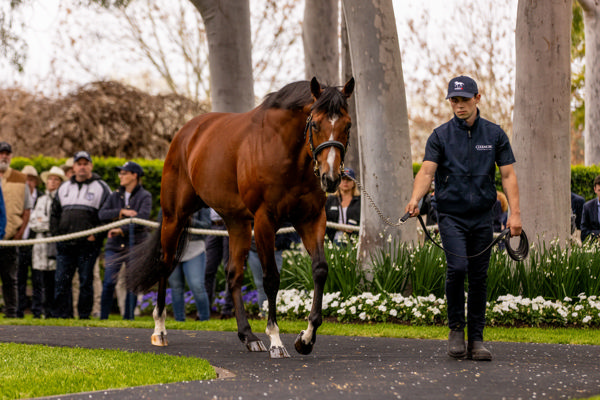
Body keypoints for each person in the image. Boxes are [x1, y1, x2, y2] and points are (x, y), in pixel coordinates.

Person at [405, 76, 522, 361]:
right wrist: (415, 199)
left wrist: (515, 215)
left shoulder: (494, 135)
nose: (459, 105)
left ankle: (477, 340)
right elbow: (426, 172)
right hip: (451, 216)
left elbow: (508, 175)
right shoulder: (440, 136)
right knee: (457, 268)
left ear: (477, 98)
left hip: (484, 216)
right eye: (454, 100)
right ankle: (456, 328)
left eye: (464, 100)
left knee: (480, 278)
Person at [50, 151, 111, 319]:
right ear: (74, 167)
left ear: (90, 166)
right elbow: (54, 214)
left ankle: (84, 315)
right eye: (79, 163)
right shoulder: (64, 187)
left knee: (85, 281)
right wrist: (57, 235)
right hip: (65, 244)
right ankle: (61, 315)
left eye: (86, 163)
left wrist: (96, 236)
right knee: (62, 280)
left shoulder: (102, 187)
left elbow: (108, 216)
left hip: (88, 245)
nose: (82, 167)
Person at [98, 161, 151, 320]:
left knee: (132, 284)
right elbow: (102, 214)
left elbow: (142, 218)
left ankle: (129, 318)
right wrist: (122, 212)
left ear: (134, 175)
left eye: (124, 173)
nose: (120, 176)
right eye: (120, 173)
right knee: (108, 282)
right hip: (114, 246)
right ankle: (103, 317)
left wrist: (121, 229)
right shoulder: (115, 195)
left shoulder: (145, 196)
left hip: (135, 245)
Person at [0, 142, 33, 318]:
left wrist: (19, 234)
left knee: (9, 278)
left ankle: (11, 312)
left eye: (7, 153)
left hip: (11, 237)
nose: (4, 156)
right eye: (1, 153)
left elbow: (27, 209)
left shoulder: (21, 178)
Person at [29, 166, 66, 318]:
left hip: (55, 243)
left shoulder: (62, 199)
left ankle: (52, 311)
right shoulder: (41, 199)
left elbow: (59, 223)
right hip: (40, 244)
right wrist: (47, 224)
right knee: (38, 279)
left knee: (53, 280)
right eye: (50, 179)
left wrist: (46, 223)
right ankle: (37, 311)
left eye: (56, 179)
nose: (52, 182)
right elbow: (33, 222)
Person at [167, 208, 212, 321]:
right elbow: (161, 221)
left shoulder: (201, 203)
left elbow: (207, 225)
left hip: (195, 248)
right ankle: (179, 320)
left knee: (197, 286)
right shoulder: (170, 198)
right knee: (176, 287)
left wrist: (188, 221)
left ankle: (204, 320)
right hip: (173, 248)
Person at [247, 223, 298, 316]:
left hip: (275, 251)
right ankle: (263, 314)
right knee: (260, 285)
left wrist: (279, 244)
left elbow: (289, 228)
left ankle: (272, 314)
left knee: (273, 284)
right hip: (254, 250)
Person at [16, 165, 42, 318]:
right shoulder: (17, 199)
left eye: (31, 180)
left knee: (38, 279)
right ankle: (18, 311)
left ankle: (37, 311)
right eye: (25, 179)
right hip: (20, 242)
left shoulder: (42, 198)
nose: (28, 183)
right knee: (19, 278)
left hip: (37, 243)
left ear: (36, 182)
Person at [204, 208, 234, 318]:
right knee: (208, 270)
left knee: (229, 270)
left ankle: (227, 310)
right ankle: (205, 310)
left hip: (229, 225)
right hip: (212, 227)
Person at [325, 167, 361, 244]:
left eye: (349, 179)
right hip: (332, 242)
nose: (345, 182)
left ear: (354, 182)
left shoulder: (360, 201)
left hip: (352, 242)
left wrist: (353, 228)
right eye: (343, 179)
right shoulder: (330, 200)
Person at [581, 175, 600, 243]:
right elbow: (584, 232)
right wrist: (597, 235)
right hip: (593, 247)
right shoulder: (588, 207)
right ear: (595, 190)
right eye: (599, 190)